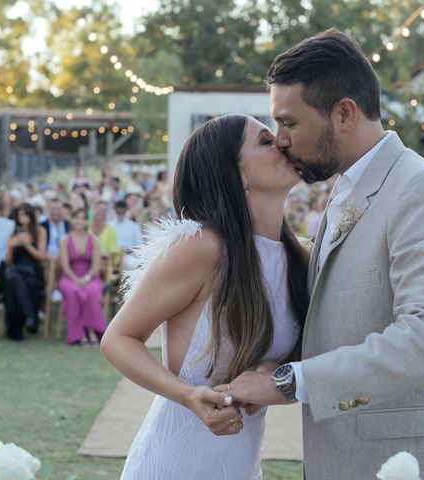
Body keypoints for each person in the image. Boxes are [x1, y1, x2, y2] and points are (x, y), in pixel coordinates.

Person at [215, 29, 424, 479]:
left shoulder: (422, 190)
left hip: (409, 458)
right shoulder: (346, 187)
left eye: (289, 122)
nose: (281, 139)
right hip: (344, 455)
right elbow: (345, 319)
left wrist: (291, 383)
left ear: (344, 113)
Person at [100, 114, 309, 479]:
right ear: (236, 174)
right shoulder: (202, 248)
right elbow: (118, 339)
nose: (282, 143)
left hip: (242, 467)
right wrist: (187, 395)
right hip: (173, 465)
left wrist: (269, 373)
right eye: (264, 140)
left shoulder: (298, 259)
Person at [58, 209, 108, 345]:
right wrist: (76, 280)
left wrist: (85, 279)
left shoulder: (94, 240)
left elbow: (96, 266)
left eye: (83, 218)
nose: (79, 221)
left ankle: (92, 331)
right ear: (72, 220)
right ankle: (78, 334)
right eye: (77, 218)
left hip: (90, 277)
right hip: (69, 277)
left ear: (87, 221)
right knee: (73, 291)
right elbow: (65, 265)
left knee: (91, 291)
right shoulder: (65, 240)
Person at [4, 204, 47, 340]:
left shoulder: (40, 232)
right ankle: (30, 317)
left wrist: (28, 245)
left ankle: (15, 327)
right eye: (20, 215)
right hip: (16, 272)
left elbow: (42, 257)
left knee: (13, 281)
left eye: (25, 215)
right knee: (13, 279)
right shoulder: (13, 234)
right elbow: (8, 262)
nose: (22, 218)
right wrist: (11, 247)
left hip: (33, 274)